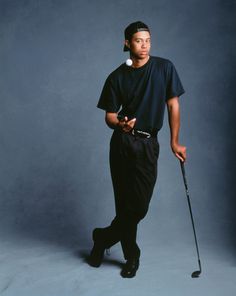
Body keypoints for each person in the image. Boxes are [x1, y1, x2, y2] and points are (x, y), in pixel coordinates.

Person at [88, 21, 187, 278]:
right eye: (138, 40)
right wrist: (120, 124)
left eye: (148, 40)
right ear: (126, 43)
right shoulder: (116, 77)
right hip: (122, 144)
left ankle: (102, 238)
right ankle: (132, 256)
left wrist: (174, 141)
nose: (144, 45)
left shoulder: (164, 68)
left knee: (138, 207)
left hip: (147, 144)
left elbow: (173, 106)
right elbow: (109, 116)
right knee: (124, 205)